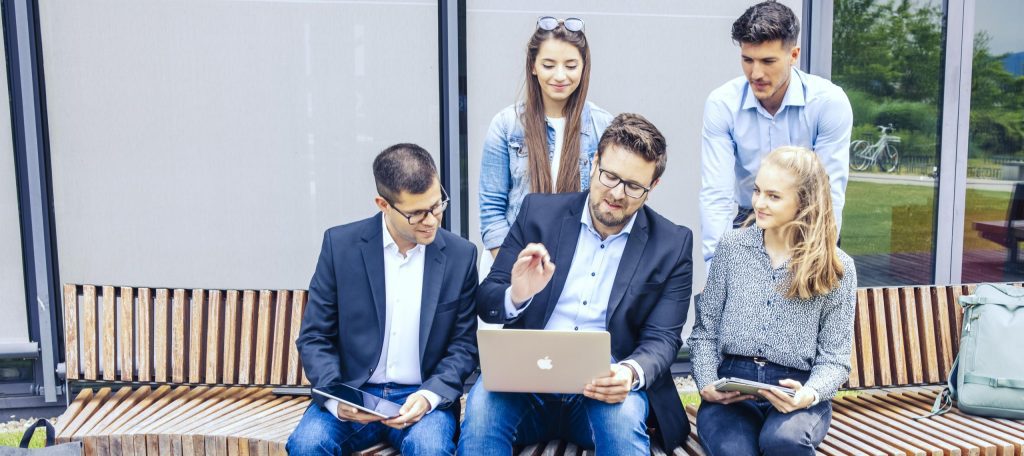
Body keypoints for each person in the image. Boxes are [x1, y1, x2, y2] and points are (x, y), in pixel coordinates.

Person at [459, 113, 693, 454]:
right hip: (527, 385)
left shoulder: (671, 244)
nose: (616, 194)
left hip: (605, 388)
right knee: (482, 407)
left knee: (624, 417)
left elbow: (664, 338)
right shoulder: (538, 213)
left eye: (633, 186)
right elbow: (487, 300)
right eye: (610, 176)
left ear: (652, 187)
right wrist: (518, 294)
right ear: (595, 162)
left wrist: (628, 372)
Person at [287, 144, 478, 456]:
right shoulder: (341, 247)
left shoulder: (461, 256)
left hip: (421, 398)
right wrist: (337, 398)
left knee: (430, 449)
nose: (431, 220)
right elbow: (315, 336)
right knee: (307, 445)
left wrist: (431, 395)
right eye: (417, 213)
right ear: (383, 204)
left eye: (436, 205)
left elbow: (464, 346)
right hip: (353, 394)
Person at [688, 146, 857, 455]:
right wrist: (707, 383)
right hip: (733, 390)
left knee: (783, 441)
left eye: (773, 196)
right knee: (735, 450)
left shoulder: (835, 267)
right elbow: (705, 331)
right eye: (757, 191)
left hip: (797, 392)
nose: (759, 203)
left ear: (804, 203)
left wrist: (809, 394)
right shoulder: (732, 248)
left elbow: (835, 359)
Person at [700, 0, 853, 265]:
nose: (755, 73)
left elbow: (829, 195)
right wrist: (717, 268)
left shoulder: (828, 103)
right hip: (749, 218)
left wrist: (817, 263)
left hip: (808, 220)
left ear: (794, 56)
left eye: (768, 61)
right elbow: (716, 196)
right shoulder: (722, 104)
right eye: (747, 60)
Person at [479, 16, 614, 258]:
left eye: (571, 66)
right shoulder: (506, 125)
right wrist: (515, 271)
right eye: (549, 65)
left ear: (584, 67)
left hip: (578, 267)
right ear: (533, 66)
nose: (560, 76)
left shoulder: (603, 126)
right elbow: (491, 214)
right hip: (513, 263)